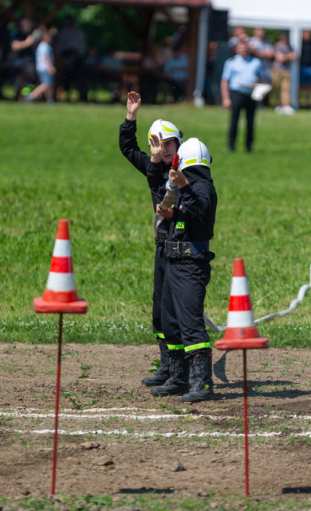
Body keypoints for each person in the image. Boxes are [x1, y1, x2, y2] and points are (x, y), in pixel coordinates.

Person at [119, 91, 185, 392]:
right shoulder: (154, 165)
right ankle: (167, 364)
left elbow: (162, 189)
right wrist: (131, 116)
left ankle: (181, 370)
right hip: (161, 247)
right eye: (157, 144)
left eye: (168, 143)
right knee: (159, 310)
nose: (163, 149)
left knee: (174, 311)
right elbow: (127, 147)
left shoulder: (186, 171)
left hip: (180, 249)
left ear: (178, 144)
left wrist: (158, 162)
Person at [152, 137, 217, 402]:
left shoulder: (202, 186)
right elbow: (185, 216)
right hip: (174, 262)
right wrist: (170, 215)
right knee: (171, 322)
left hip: (191, 265)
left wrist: (185, 186)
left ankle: (201, 381)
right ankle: (178, 377)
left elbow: (200, 208)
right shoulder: (185, 187)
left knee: (191, 323)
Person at [220, 42, 267, 152]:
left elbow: (262, 78)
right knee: (234, 120)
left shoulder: (256, 62)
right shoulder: (231, 62)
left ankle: (249, 146)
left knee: (250, 121)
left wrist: (259, 83)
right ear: (237, 50)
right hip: (237, 93)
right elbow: (225, 80)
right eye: (240, 48)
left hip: (251, 94)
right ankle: (231, 146)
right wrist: (226, 98)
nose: (243, 50)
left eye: (245, 48)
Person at [27, 27, 55, 103]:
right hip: (45, 67)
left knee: (49, 84)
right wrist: (51, 66)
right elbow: (46, 57)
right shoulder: (45, 46)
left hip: (40, 67)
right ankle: (31, 96)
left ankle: (50, 100)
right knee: (46, 84)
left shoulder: (40, 46)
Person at [272, 33, 296, 114]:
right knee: (276, 88)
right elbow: (279, 58)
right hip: (277, 70)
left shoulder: (290, 46)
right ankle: (278, 105)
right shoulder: (277, 45)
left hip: (286, 70)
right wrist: (288, 56)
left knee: (285, 88)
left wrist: (285, 56)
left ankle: (286, 106)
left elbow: (295, 56)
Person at [299, 31, 311, 107]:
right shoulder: (298, 42)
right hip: (301, 67)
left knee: (309, 86)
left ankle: (308, 103)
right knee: (300, 86)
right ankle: (299, 102)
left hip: (310, 67)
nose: (307, 35)